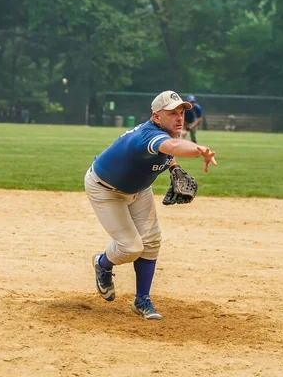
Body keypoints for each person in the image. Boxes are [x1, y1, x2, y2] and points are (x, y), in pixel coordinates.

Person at [85, 90, 218, 320]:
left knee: (152, 241)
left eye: (181, 112)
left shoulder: (166, 132)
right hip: (105, 190)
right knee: (131, 248)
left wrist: (174, 167)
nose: (179, 117)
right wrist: (199, 150)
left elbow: (170, 151)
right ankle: (103, 264)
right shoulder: (148, 136)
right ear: (156, 117)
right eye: (172, 113)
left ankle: (142, 300)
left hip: (138, 189)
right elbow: (173, 147)